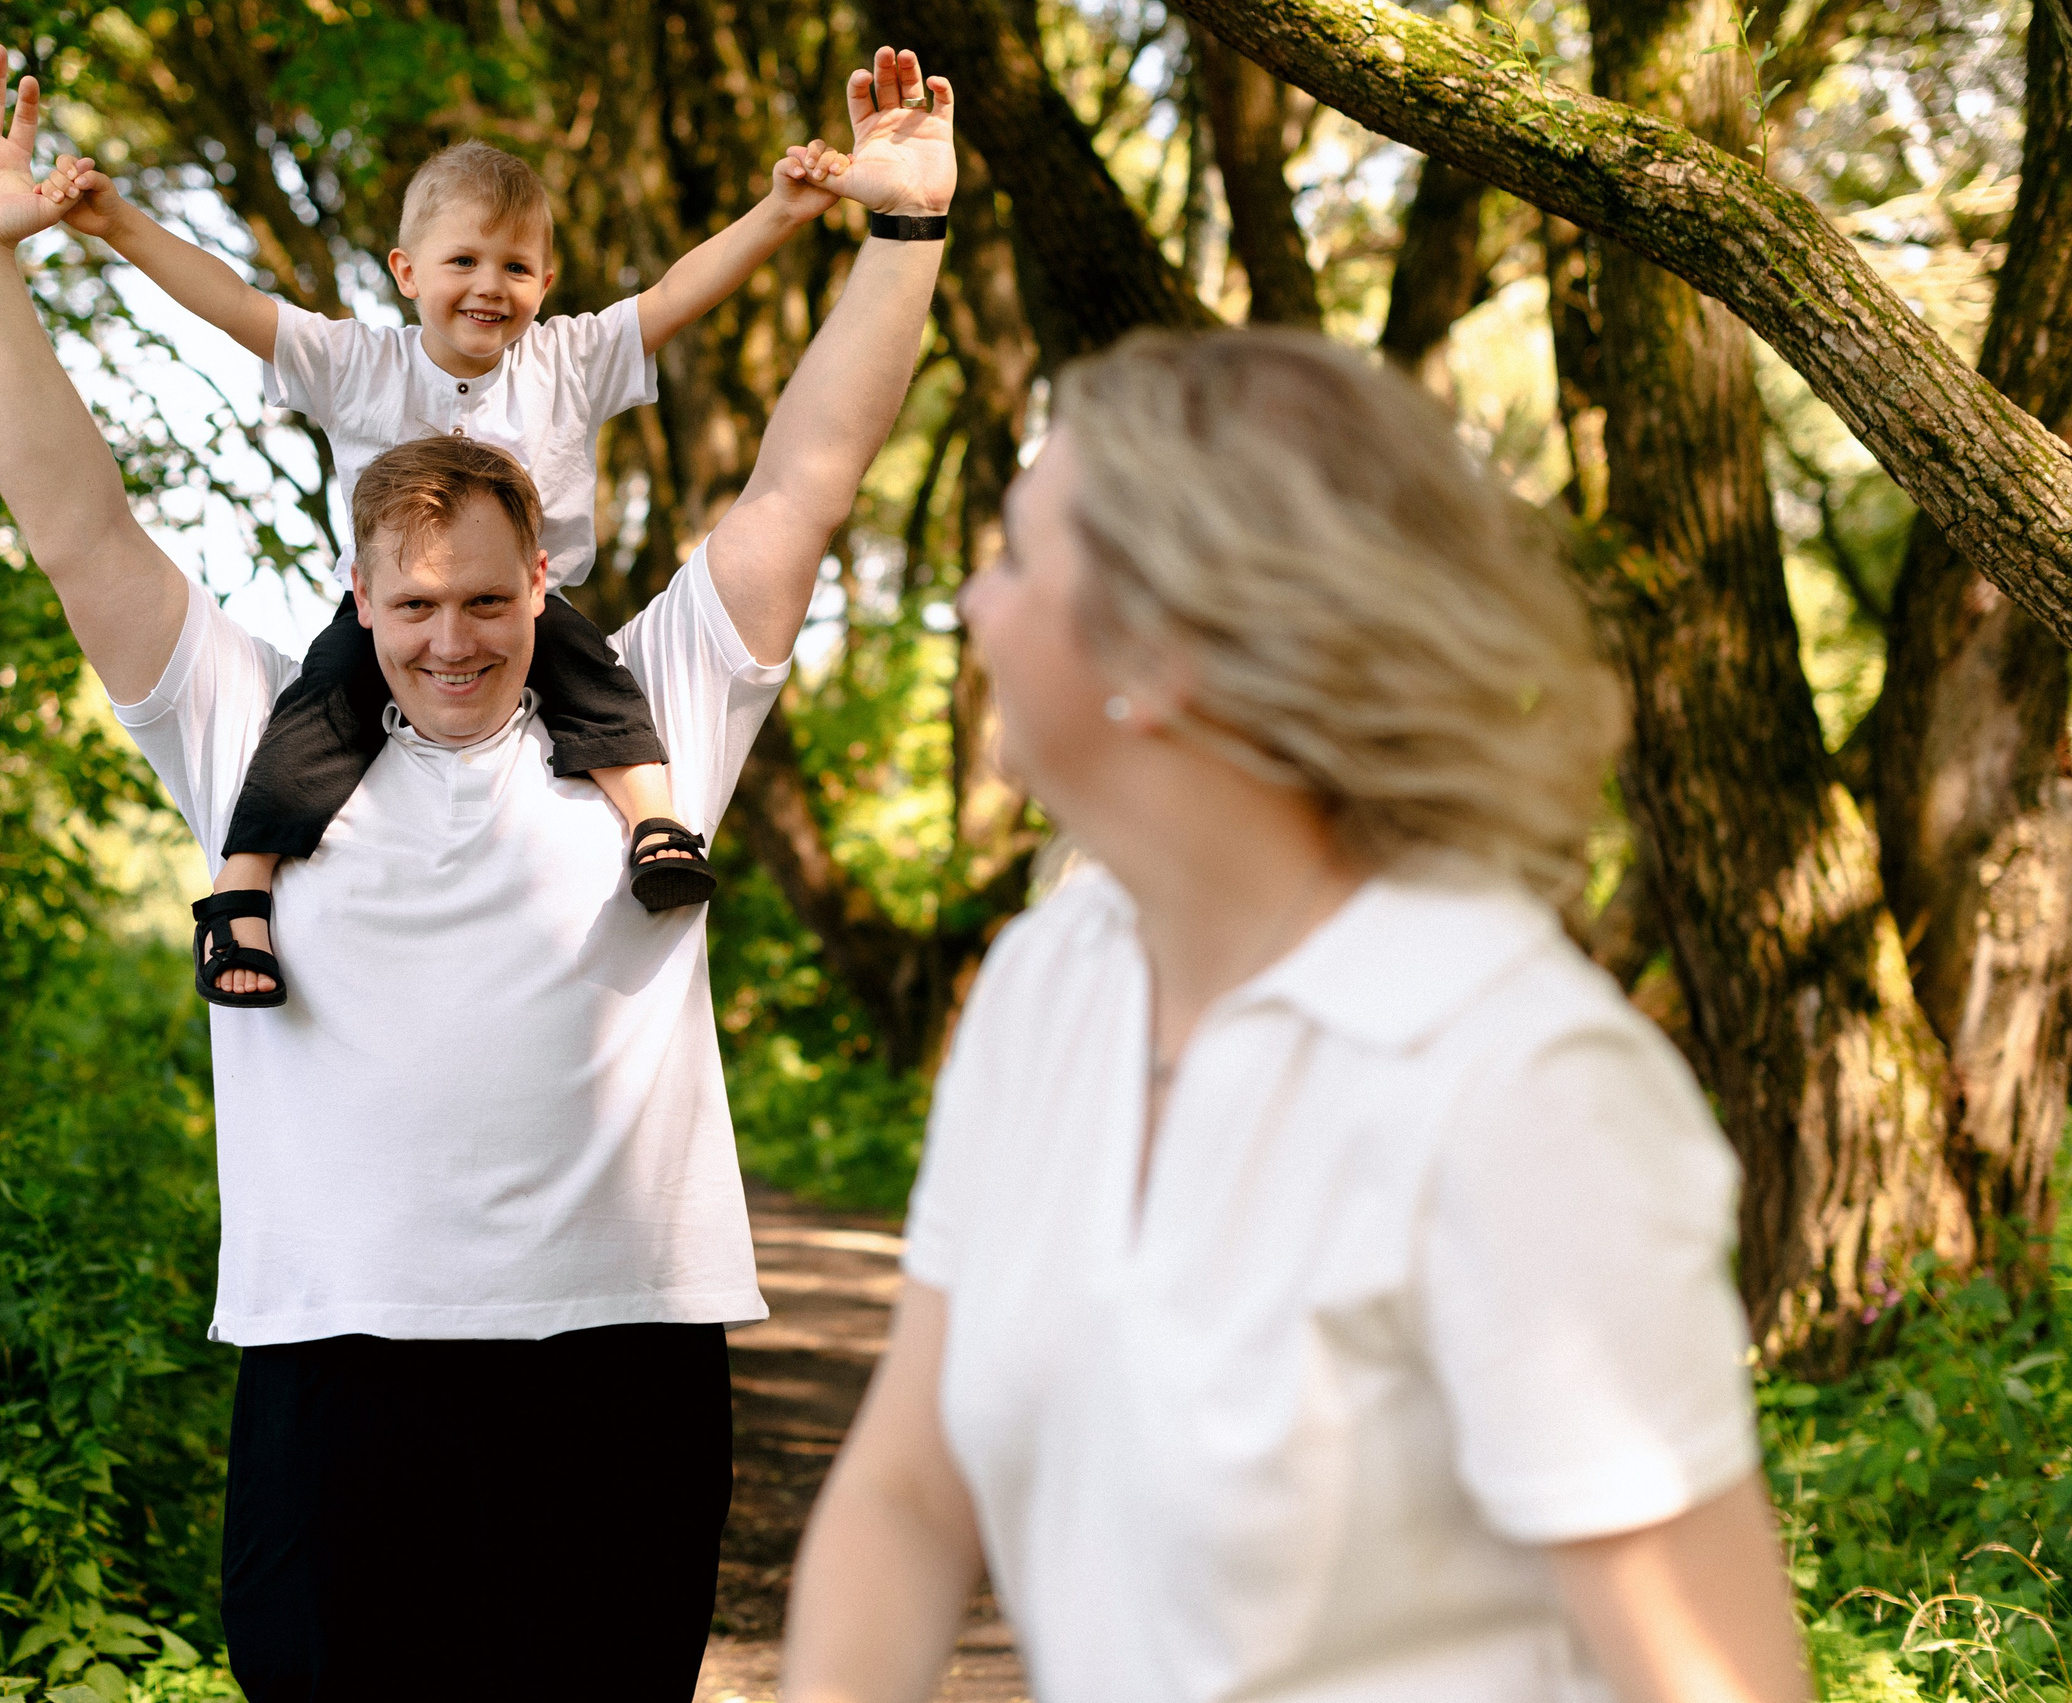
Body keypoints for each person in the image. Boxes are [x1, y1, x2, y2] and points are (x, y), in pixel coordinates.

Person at [0, 38, 954, 1696]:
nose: (454, 640)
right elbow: (76, 521)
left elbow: (804, 482)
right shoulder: (251, 722)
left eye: (489, 601)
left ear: (543, 580)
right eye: (416, 606)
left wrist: (903, 240)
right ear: (358, 594)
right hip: (339, 1355)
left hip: (621, 1345)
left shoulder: (653, 713)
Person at [778, 330, 1815, 1703]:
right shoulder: (1053, 978)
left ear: (1165, 646)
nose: (973, 598)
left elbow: (1711, 1678)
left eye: (1020, 555)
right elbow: (910, 1495)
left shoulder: (1518, 1079)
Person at [34, 126, 846, 1008]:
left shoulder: (568, 359)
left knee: (599, 682)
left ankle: (657, 825)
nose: (490, 286)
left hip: (526, 605)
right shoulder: (356, 364)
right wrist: (119, 225)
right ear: (407, 270)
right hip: (390, 613)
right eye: (463, 260)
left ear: (546, 281)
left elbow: (677, 293)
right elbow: (235, 304)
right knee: (316, 710)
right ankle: (243, 884)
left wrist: (780, 212)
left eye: (517, 266)